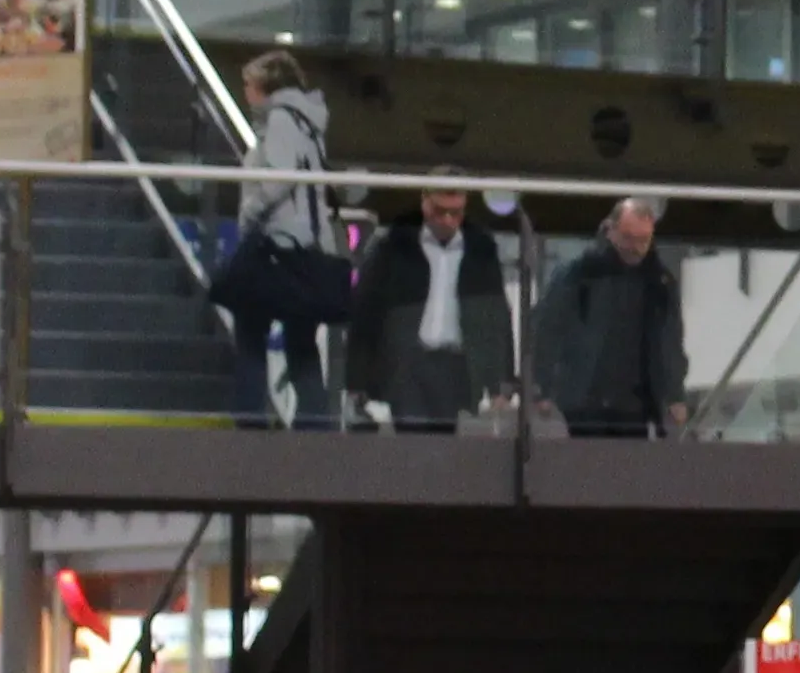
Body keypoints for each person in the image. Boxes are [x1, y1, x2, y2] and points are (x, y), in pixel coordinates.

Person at [208, 49, 347, 426]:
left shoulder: (283, 119)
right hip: (304, 247)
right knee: (301, 343)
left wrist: (251, 212)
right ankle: (314, 429)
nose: (245, 93)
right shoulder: (307, 122)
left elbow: (281, 177)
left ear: (266, 87)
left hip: (278, 246)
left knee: (251, 334)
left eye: (249, 86)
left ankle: (251, 425)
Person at [348, 183, 511, 429]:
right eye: (439, 211)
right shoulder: (394, 246)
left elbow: (496, 317)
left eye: (455, 213)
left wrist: (501, 382)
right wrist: (357, 380)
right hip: (407, 363)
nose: (447, 220)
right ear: (424, 203)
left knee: (445, 443)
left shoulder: (480, 250)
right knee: (414, 441)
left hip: (456, 364)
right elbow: (366, 311)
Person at [532, 194, 688, 436]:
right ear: (611, 231)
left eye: (643, 241)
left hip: (637, 401)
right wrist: (541, 387)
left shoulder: (660, 282)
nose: (635, 248)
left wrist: (675, 394)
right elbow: (547, 328)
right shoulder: (579, 273)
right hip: (584, 396)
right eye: (628, 238)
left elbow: (671, 341)